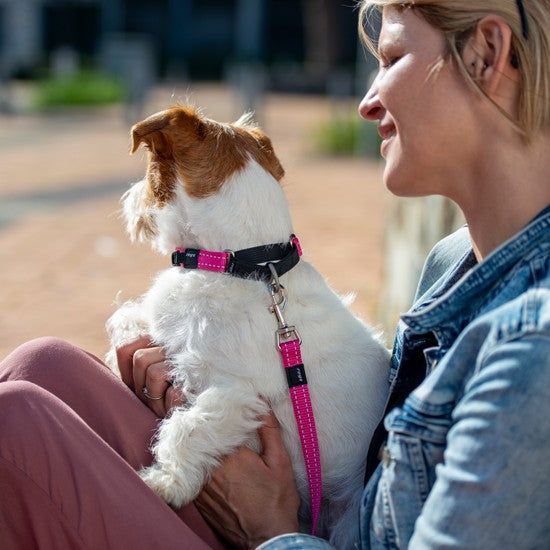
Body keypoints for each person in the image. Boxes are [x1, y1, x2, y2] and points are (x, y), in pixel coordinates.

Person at [1, 0, 549, 548]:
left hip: (288, 535)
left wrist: (269, 526)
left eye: (393, 58)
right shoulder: (453, 263)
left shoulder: (531, 352)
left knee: (15, 425)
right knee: (42, 363)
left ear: (486, 54)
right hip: (312, 515)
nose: (367, 101)